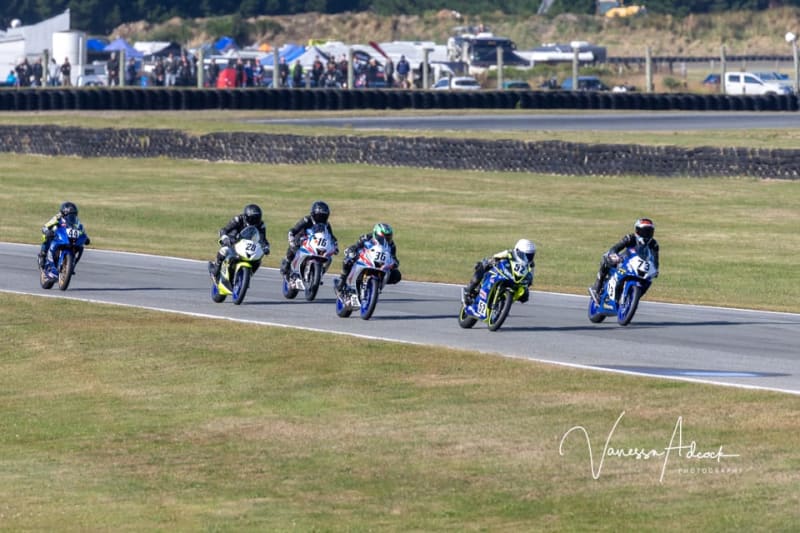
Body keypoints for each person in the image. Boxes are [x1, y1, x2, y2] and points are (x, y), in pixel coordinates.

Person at [588, 218, 660, 304]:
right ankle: (596, 288)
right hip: (624, 260)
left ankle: (631, 298)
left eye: (649, 231)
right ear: (637, 231)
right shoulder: (630, 238)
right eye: (644, 231)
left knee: (649, 279)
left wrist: (655, 269)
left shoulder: (654, 244)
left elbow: (655, 260)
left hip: (639, 265)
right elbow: (615, 248)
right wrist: (614, 255)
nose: (646, 234)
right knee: (605, 258)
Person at [461, 239, 536, 305]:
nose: (527, 258)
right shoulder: (509, 253)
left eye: (530, 255)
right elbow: (495, 256)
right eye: (525, 255)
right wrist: (492, 260)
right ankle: (469, 290)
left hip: (514, 278)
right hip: (501, 271)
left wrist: (529, 282)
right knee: (484, 265)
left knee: (525, 296)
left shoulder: (531, 264)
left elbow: (531, 275)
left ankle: (502, 304)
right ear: (517, 251)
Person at [208, 204, 270, 282]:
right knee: (224, 250)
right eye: (253, 219)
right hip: (233, 241)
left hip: (248, 245)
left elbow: (262, 239)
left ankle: (247, 275)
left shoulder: (261, 225)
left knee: (258, 259)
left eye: (257, 218)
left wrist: (266, 247)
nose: (255, 221)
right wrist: (225, 237)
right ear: (247, 217)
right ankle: (215, 271)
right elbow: (224, 230)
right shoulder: (238, 219)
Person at [280, 201, 338, 277]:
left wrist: (335, 246)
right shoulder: (307, 220)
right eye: (319, 216)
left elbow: (331, 236)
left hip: (317, 244)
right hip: (303, 239)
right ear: (313, 214)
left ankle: (320, 273)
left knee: (329, 258)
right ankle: (287, 262)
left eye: (323, 216)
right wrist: (291, 237)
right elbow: (295, 229)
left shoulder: (327, 225)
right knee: (294, 246)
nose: (321, 219)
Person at [336, 223, 400, 292]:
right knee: (349, 259)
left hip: (381, 265)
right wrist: (353, 250)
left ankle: (376, 285)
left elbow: (393, 257)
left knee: (396, 275)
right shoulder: (367, 237)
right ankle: (342, 279)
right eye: (384, 237)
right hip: (365, 258)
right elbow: (357, 246)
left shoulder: (392, 245)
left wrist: (395, 263)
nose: (386, 239)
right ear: (376, 234)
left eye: (388, 237)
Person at [38, 201, 90, 268]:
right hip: (57, 236)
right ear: (63, 212)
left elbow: (81, 230)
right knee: (46, 236)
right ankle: (43, 254)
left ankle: (71, 263)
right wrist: (47, 231)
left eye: (73, 214)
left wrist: (85, 237)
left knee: (80, 246)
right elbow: (45, 227)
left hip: (68, 239)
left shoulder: (77, 222)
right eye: (69, 213)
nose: (71, 216)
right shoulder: (58, 217)